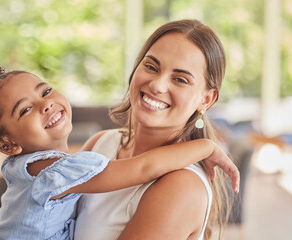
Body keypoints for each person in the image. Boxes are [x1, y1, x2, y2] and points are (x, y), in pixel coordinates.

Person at [0, 63, 238, 240]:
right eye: (25, 110)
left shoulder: (26, 166)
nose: (44, 104)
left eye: (46, 91)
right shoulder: (56, 171)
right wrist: (206, 146)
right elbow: (142, 169)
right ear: (7, 145)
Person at [75, 19, 232, 240]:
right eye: (151, 67)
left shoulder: (181, 185)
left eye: (180, 79)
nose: (157, 85)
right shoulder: (101, 144)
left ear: (206, 99)